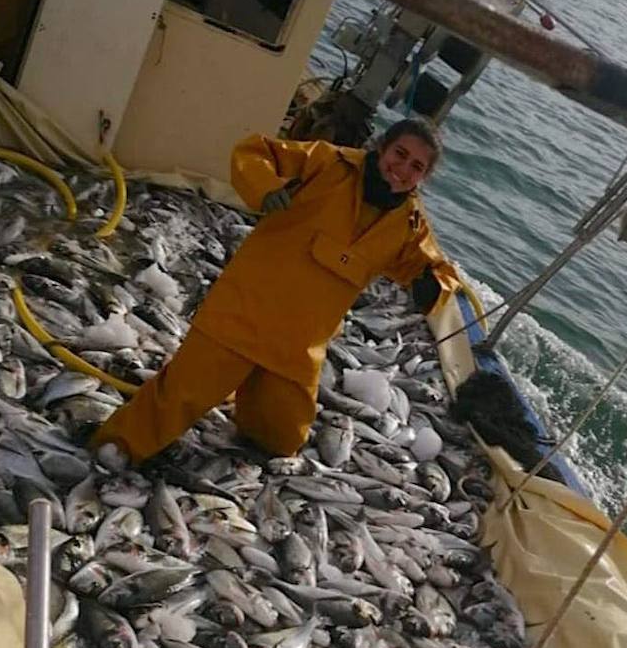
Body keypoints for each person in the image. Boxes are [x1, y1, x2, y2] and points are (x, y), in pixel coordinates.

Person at [93, 115, 461, 467]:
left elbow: (437, 269)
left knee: (283, 439)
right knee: (177, 399)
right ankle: (114, 447)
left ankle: (246, 397)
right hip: (243, 314)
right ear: (382, 147)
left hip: (298, 346)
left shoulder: (410, 226)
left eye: (417, 167)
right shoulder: (328, 162)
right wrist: (266, 189)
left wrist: (434, 286)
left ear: (423, 178)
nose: (403, 169)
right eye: (400, 154)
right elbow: (253, 153)